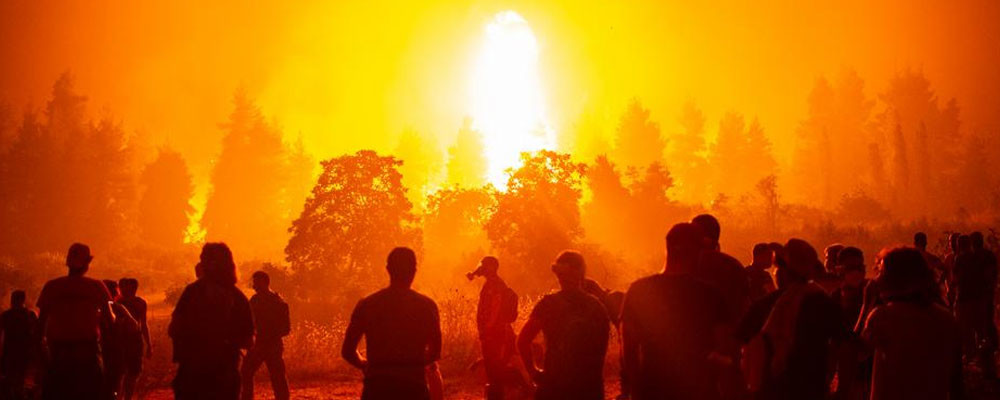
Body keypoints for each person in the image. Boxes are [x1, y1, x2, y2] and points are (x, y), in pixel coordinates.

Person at [622, 223, 729, 400]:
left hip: (653, 389)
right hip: (700, 391)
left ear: (668, 248)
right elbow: (724, 347)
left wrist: (636, 389)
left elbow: (628, 350)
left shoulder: (639, 291)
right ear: (697, 252)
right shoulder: (710, 295)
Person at [741, 239, 844, 400]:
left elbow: (738, 340)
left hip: (771, 389)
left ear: (781, 272)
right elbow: (845, 345)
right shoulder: (823, 303)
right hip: (811, 388)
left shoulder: (766, 305)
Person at [861, 247, 963, 400]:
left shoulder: (882, 317)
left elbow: (857, 354)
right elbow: (956, 377)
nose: (877, 278)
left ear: (894, 278)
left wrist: (866, 304)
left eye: (881, 272)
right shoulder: (945, 317)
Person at [342, 247, 442, 400]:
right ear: (414, 270)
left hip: (377, 388)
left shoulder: (368, 305)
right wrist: (412, 365)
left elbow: (348, 351)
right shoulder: (427, 306)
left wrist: (366, 365)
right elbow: (434, 352)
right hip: (414, 388)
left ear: (388, 269)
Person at [518, 250, 609, 400]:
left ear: (558, 274)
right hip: (589, 388)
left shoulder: (547, 305)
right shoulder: (597, 307)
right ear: (581, 273)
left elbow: (522, 340)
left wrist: (533, 372)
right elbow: (601, 350)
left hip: (554, 387)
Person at [169, 243, 254, 400]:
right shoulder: (238, 297)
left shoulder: (192, 292)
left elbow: (173, 329)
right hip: (224, 376)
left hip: (192, 376)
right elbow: (248, 341)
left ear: (211, 264)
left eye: (204, 259)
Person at [36, 243, 113, 400]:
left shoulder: (52, 286)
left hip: (59, 354)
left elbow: (40, 324)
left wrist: (41, 353)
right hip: (88, 352)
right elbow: (109, 321)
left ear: (68, 262)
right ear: (87, 264)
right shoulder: (96, 286)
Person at [468, 256, 520, 400]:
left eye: (484, 265)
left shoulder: (495, 284)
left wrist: (488, 330)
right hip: (493, 333)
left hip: (494, 334)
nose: (481, 267)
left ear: (491, 267)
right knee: (493, 370)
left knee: (494, 371)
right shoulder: (492, 283)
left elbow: (496, 307)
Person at [241, 271, 291, 400]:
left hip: (266, 344)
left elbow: (285, 328)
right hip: (266, 344)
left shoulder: (274, 302)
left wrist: (266, 336)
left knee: (274, 375)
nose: (254, 286)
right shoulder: (271, 301)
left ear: (264, 282)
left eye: (256, 282)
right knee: (276, 375)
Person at [102, 280, 139, 400]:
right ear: (115, 292)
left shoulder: (94, 308)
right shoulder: (118, 307)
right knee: (115, 381)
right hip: (115, 349)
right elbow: (134, 325)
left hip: (99, 350)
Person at [116, 278, 150, 400]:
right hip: (119, 340)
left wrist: (149, 345)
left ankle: (128, 397)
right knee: (120, 372)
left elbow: (144, 324)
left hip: (135, 340)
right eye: (122, 286)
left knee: (133, 372)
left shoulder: (140, 303)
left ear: (134, 288)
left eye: (128, 287)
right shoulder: (116, 303)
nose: (124, 289)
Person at [0, 290, 38, 400]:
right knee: (21, 375)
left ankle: (11, 395)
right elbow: (36, 332)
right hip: (24, 350)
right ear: (23, 299)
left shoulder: (6, 315)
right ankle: (19, 394)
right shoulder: (30, 314)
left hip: (10, 349)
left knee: (9, 376)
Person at [831, 247, 867, 333]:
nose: (856, 272)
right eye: (851, 268)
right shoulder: (833, 299)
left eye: (859, 267)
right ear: (839, 270)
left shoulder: (873, 296)